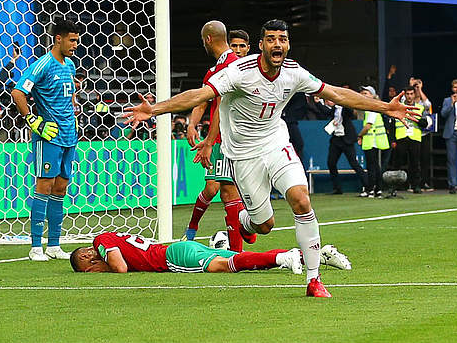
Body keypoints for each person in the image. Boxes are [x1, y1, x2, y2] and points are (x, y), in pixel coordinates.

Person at [122, 19, 421, 297]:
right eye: (271, 40)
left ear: (288, 45)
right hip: (244, 156)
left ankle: (314, 280)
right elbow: (198, 96)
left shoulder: (295, 72)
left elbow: (336, 93)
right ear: (262, 45)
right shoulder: (239, 72)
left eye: (283, 39)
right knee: (263, 225)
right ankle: (244, 221)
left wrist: (385, 107)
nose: (277, 45)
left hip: (276, 144)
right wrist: (155, 110)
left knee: (301, 199)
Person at [11, 17, 81, 262]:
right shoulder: (42, 64)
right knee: (44, 186)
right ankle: (35, 247)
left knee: (61, 188)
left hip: (69, 135)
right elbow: (18, 91)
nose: (75, 45)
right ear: (58, 38)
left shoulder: (70, 66)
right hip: (48, 135)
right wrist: (32, 120)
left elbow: (66, 93)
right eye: (71, 40)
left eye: (77, 40)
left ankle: (54, 245)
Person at [182, 23, 249, 249]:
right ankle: (235, 245)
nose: (238, 49)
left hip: (233, 138)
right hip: (225, 138)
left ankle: (243, 237)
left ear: (207, 39)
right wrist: (192, 124)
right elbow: (203, 101)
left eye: (242, 46)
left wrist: (209, 143)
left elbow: (222, 106)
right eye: (235, 44)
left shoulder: (233, 67)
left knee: (231, 191)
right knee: (220, 188)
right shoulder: (214, 71)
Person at [68, 230, 351, 275]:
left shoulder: (102, 240)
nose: (90, 261)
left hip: (173, 258)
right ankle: (317, 255)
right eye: (87, 265)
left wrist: (100, 266)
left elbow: (120, 268)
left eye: (86, 258)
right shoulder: (106, 243)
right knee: (226, 259)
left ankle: (282, 257)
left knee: (225, 266)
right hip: (177, 249)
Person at [358, 87, 392, 196]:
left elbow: (368, 126)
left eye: (366, 93)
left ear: (372, 95)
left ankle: (371, 189)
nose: (363, 94)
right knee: (375, 167)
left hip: (373, 142)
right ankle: (377, 189)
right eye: (362, 93)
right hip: (374, 142)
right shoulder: (371, 107)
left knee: (372, 167)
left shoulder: (372, 107)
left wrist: (359, 135)